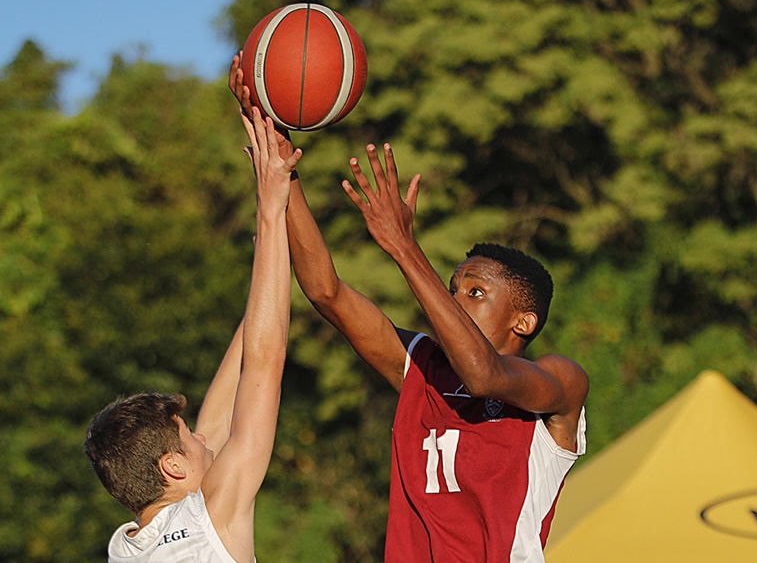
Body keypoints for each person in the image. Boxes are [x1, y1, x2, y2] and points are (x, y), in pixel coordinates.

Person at [228, 53, 588, 562]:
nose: (455, 298)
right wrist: (282, 163)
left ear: (523, 322)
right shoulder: (424, 367)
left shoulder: (559, 384)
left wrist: (403, 247)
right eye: (453, 286)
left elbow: (484, 376)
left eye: (476, 292)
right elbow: (326, 291)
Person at [83, 106, 301, 563]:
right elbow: (266, 359)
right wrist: (270, 208)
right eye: (189, 439)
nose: (203, 439)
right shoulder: (210, 522)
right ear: (172, 466)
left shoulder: (125, 548)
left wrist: (270, 267)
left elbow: (218, 427)